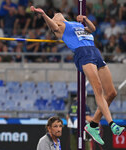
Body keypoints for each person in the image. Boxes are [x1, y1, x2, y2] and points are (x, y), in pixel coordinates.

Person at [30, 6, 125, 145]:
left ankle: (92, 126)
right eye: (55, 15)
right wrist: (44, 15)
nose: (57, 14)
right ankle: (112, 124)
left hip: (95, 51)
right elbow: (53, 26)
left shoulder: (75, 24)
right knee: (97, 89)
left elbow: (92, 29)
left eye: (57, 13)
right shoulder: (60, 27)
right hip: (83, 54)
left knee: (111, 93)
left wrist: (85, 19)